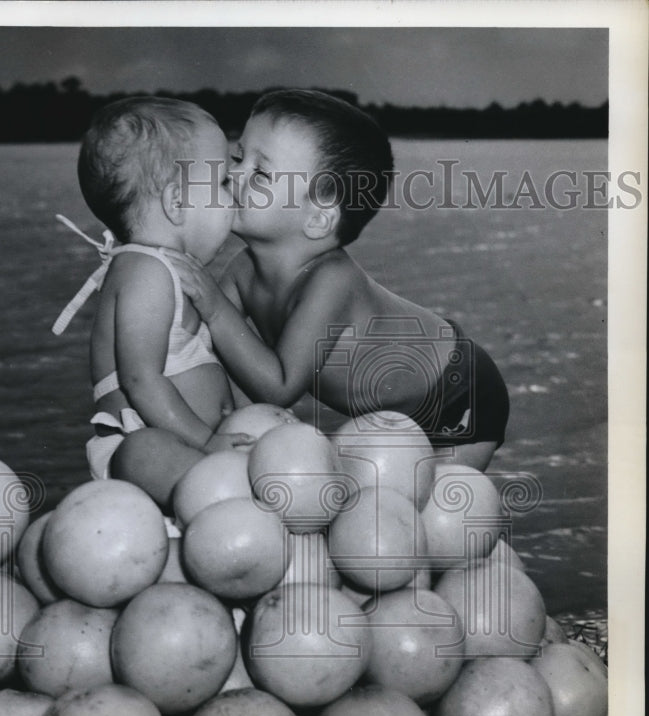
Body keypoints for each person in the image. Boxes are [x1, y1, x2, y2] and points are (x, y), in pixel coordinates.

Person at [169, 89, 510, 472]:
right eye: (237, 157)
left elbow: (278, 387)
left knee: (428, 511)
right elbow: (200, 343)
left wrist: (212, 304)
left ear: (318, 218)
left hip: (459, 395)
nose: (232, 174)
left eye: (260, 172)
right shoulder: (243, 269)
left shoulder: (331, 281)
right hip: (388, 420)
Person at [52, 96, 251, 510]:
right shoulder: (146, 272)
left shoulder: (167, 268)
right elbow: (141, 380)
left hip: (193, 451)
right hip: (142, 455)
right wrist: (207, 440)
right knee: (146, 448)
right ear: (177, 202)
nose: (233, 199)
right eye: (222, 185)